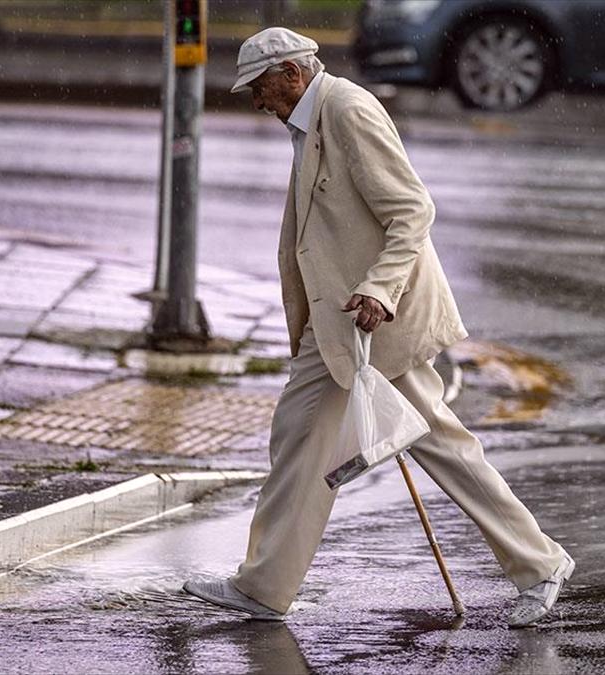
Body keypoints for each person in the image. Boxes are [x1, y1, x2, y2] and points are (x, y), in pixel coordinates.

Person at [182, 27, 574, 628]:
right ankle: (264, 585)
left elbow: (411, 209)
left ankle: (540, 563)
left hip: (375, 319)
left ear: (292, 73)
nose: (257, 102)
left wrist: (379, 289)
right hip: (339, 323)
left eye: (261, 88)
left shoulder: (347, 109)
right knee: (300, 440)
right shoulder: (308, 118)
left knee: (440, 446)